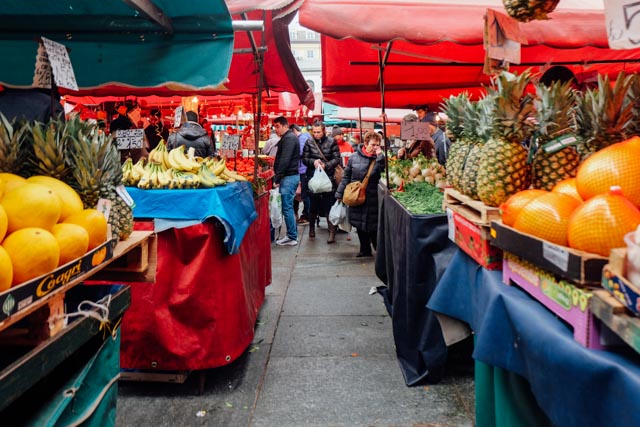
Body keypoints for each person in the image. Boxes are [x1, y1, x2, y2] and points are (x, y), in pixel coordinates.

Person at [336, 130, 385, 257]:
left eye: (377, 145)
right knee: (359, 224)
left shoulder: (380, 158)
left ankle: (379, 251)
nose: (375, 147)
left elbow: (385, 172)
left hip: (374, 196)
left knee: (374, 226)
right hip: (357, 196)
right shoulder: (354, 157)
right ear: (366, 143)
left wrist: (380, 158)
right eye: (373, 144)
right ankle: (364, 249)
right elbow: (346, 177)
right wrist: (339, 193)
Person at [302, 120, 341, 244]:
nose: (316, 134)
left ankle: (332, 233)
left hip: (328, 178)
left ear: (324, 131)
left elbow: (337, 158)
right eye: (314, 132)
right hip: (313, 178)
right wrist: (313, 162)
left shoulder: (331, 142)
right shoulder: (309, 142)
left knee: (328, 206)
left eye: (318, 132)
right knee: (313, 205)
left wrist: (327, 165)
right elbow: (304, 159)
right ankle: (311, 228)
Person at [272, 116, 301, 246]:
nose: (276, 129)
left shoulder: (289, 138)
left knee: (287, 207)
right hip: (289, 176)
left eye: (277, 126)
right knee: (287, 206)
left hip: (289, 177)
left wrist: (277, 177)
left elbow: (285, 159)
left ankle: (292, 236)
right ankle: (292, 234)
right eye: (275, 127)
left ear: (285, 126)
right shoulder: (288, 138)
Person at [291, 124, 311, 224]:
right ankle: (301, 214)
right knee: (301, 193)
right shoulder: (304, 137)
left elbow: (302, 153)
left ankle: (306, 216)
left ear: (294, 130)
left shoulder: (302, 138)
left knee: (304, 193)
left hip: (303, 169)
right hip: (302, 169)